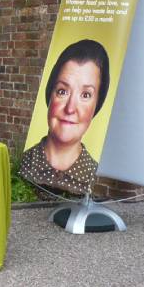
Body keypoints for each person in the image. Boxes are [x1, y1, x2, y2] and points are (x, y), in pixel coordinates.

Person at [19, 39, 110, 195]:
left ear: (97, 105)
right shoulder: (20, 166)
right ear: (50, 95)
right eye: (62, 91)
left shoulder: (99, 181)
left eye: (86, 95)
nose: (70, 108)